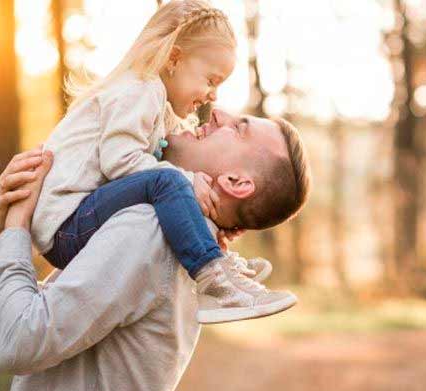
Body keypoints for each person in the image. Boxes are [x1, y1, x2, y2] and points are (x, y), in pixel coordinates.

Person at [0, 108, 310, 391]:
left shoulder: (153, 229)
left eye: (239, 128)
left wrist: (16, 227)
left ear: (236, 182)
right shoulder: (185, 242)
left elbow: (20, 341)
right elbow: (21, 320)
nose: (219, 113)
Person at [32, 0, 293, 324]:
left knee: (171, 180)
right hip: (65, 225)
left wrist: (209, 225)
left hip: (79, 219)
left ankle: (217, 258)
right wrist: (184, 179)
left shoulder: (157, 103)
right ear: (174, 59)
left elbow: (175, 147)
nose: (213, 97)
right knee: (168, 181)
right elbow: (121, 161)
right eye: (211, 80)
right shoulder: (138, 91)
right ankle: (215, 281)